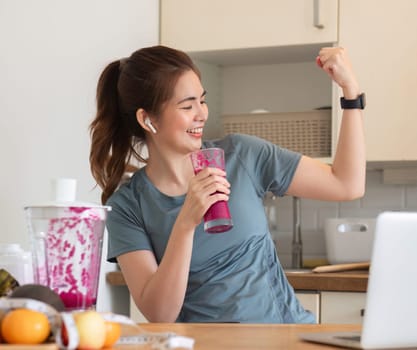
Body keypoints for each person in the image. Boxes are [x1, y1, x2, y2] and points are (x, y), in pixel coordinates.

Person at [89, 45, 366, 323]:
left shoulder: (242, 155)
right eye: (187, 105)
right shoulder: (127, 206)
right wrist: (186, 222)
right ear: (147, 119)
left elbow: (346, 184)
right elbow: (159, 314)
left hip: (286, 338)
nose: (202, 113)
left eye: (202, 100)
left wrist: (350, 92)